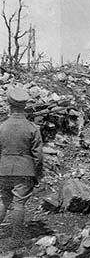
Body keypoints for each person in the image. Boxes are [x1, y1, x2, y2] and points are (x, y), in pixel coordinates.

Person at [0, 87, 43, 245]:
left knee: (4, 200)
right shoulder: (32, 128)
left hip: (3, 169)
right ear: (24, 107)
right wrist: (37, 175)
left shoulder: (1, 127)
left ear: (9, 105)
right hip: (24, 170)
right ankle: (16, 239)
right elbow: (38, 156)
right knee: (19, 203)